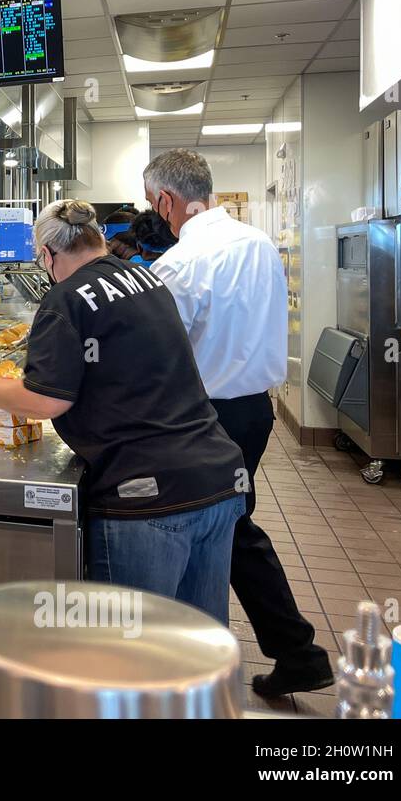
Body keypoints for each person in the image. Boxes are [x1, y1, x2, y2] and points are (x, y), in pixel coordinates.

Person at [0, 199, 246, 624]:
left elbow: (46, 400)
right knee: (199, 646)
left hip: (147, 497)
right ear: (98, 238)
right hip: (215, 479)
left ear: (48, 255)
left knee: (131, 652)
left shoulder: (65, 300)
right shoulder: (147, 279)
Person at [143, 148, 333, 696]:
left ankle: (283, 650)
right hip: (256, 410)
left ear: (166, 200)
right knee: (230, 520)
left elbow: (157, 353)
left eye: (155, 206)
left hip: (207, 417)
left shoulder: (180, 264)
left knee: (213, 526)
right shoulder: (258, 243)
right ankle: (293, 651)